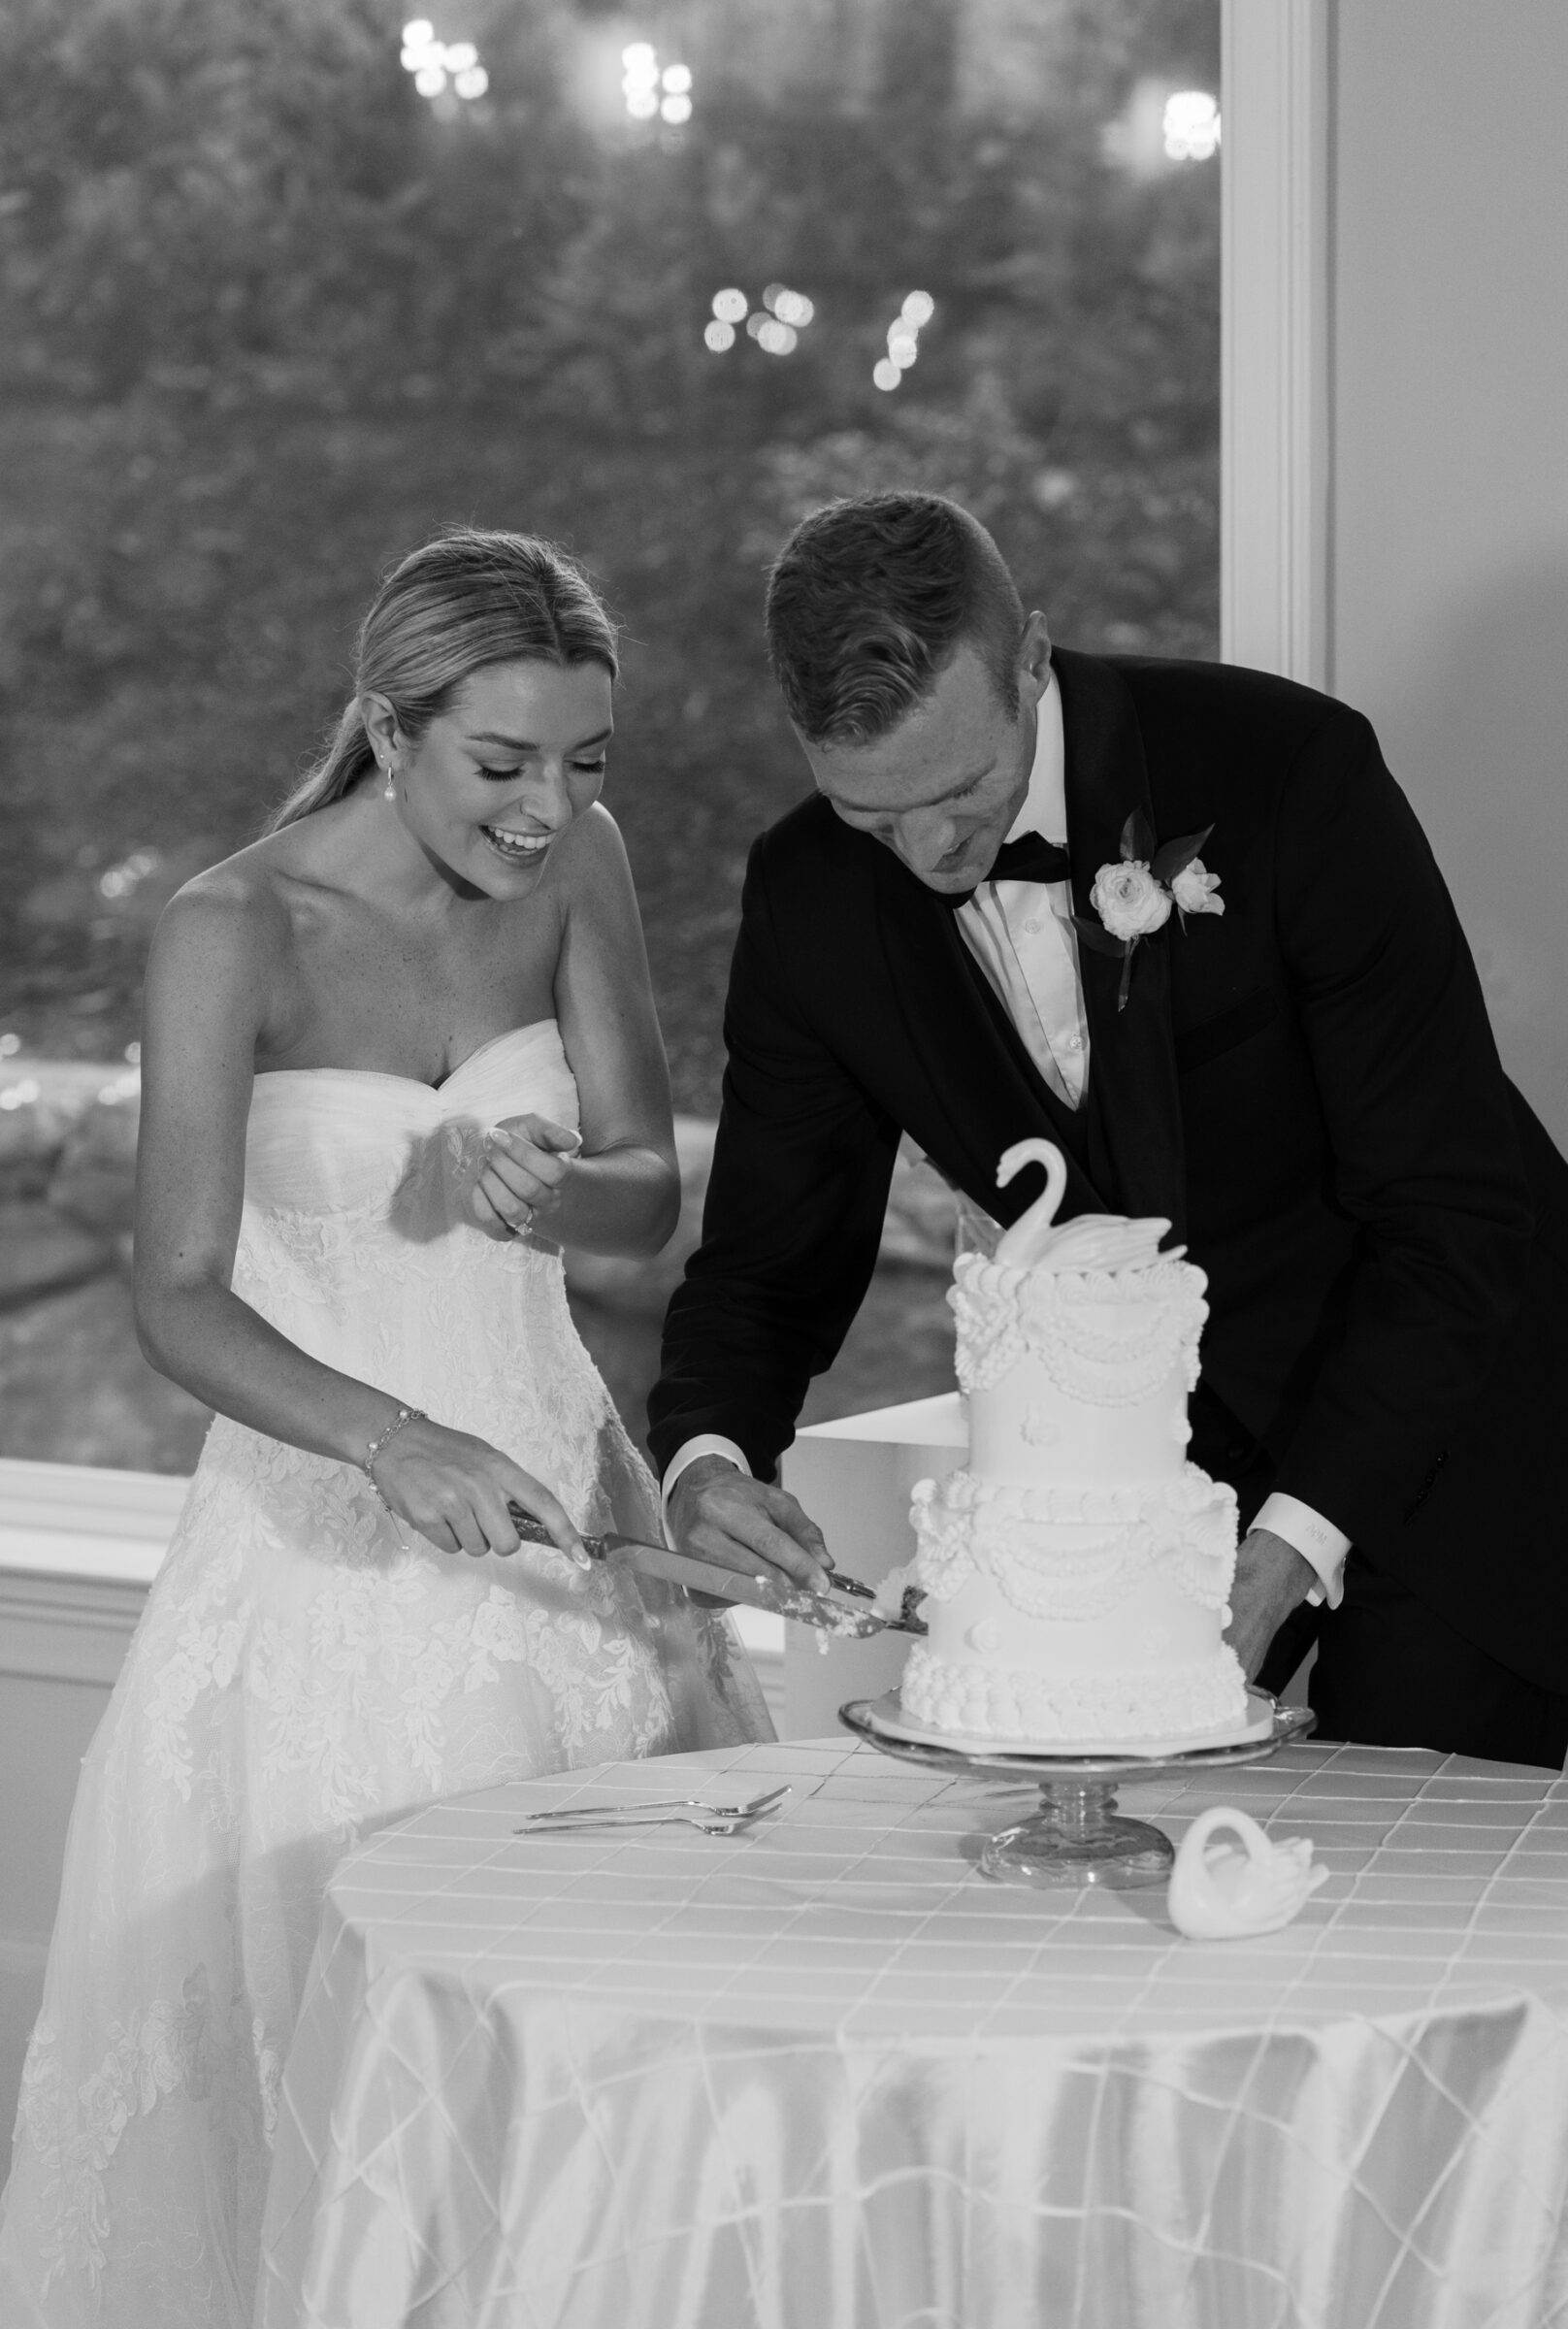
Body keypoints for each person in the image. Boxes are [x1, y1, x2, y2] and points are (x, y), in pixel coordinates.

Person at [0, 528, 770, 2329]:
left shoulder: (578, 868)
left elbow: (644, 1196)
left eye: (584, 765)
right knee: (351, 2086)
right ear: (385, 723)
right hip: (324, 1562)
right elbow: (177, 1292)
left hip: (580, 1545)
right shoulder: (229, 926)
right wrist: (390, 1440)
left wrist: (546, 1193)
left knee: (602, 2097)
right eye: (502, 765)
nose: (544, 808)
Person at [651, 490, 1568, 1769]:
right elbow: (770, 1259)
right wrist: (707, 1462)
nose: (929, 852)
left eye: (960, 789)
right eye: (873, 818)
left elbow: (1451, 1208)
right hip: (1152, 1483)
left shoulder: (1281, 771)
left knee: (1385, 1907)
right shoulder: (808, 899)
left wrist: (1288, 1547)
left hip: (1446, 1423)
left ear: (1030, 654)